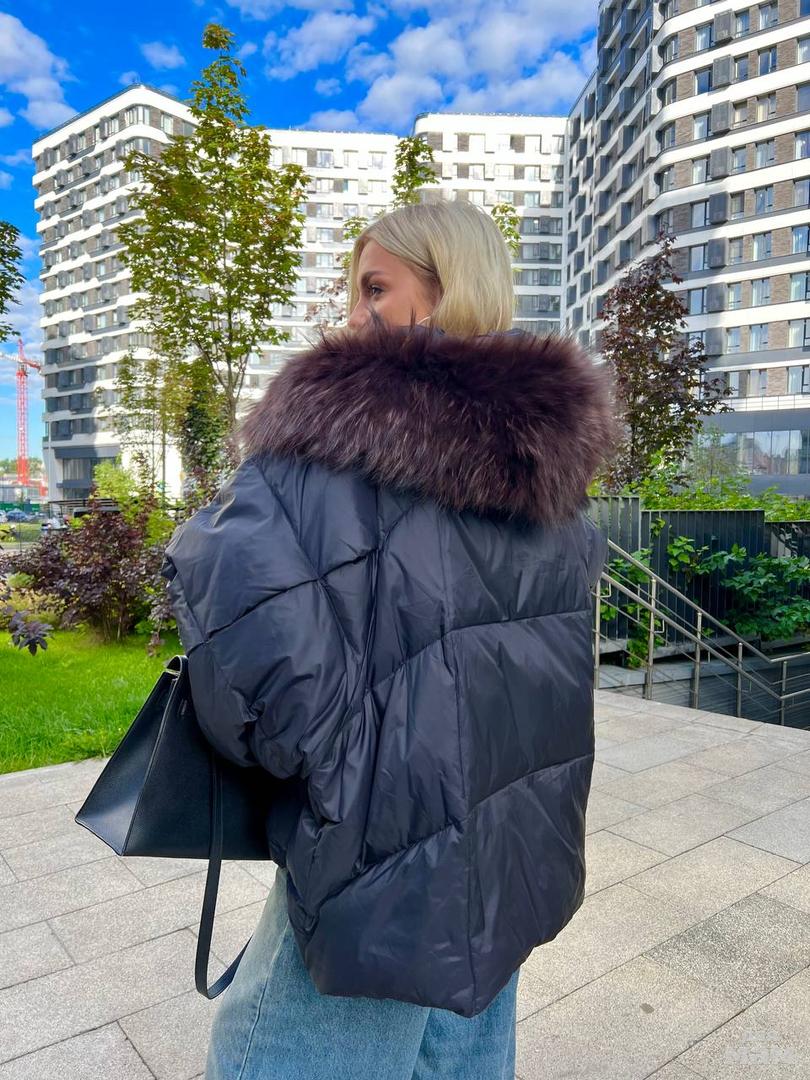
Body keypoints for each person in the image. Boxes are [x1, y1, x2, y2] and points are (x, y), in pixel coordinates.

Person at [160, 199, 621, 1079]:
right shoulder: (555, 483)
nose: (353, 316)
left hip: (380, 860)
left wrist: (341, 758)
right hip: (507, 855)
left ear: (450, 291)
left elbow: (241, 640)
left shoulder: (324, 455)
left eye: (376, 289)